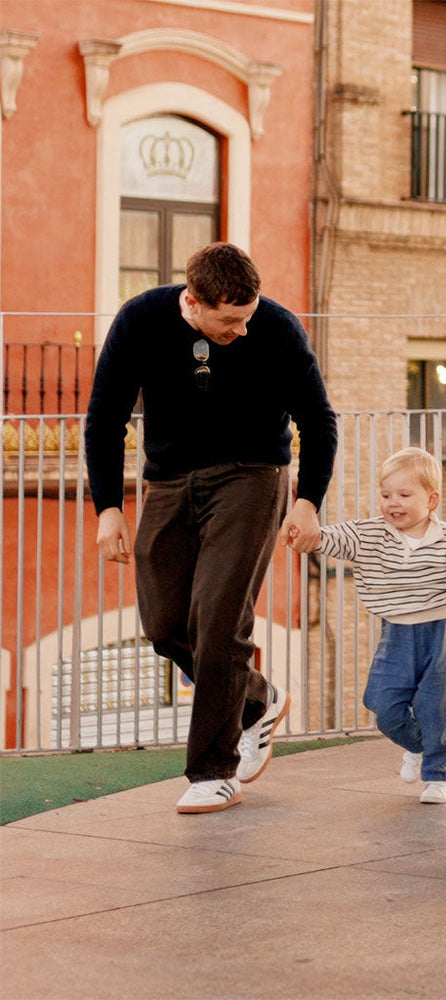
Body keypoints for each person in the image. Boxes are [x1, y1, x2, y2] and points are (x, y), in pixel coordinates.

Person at [85, 242, 337, 814]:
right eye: (229, 321)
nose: (242, 331)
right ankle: (257, 701)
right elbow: (105, 418)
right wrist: (107, 508)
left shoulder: (276, 328)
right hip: (168, 481)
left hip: (252, 476)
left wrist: (307, 502)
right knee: (165, 622)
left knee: (219, 616)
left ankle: (212, 770)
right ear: (193, 302)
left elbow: (318, 419)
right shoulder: (141, 321)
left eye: (247, 317)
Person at [306, 447, 446, 803]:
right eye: (386, 495)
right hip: (396, 634)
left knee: (435, 706)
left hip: (438, 634)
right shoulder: (371, 533)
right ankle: (419, 746)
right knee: (381, 703)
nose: (393, 503)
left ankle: (438, 775)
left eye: (404, 495)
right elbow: (335, 538)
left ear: (431, 499)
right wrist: (310, 536)